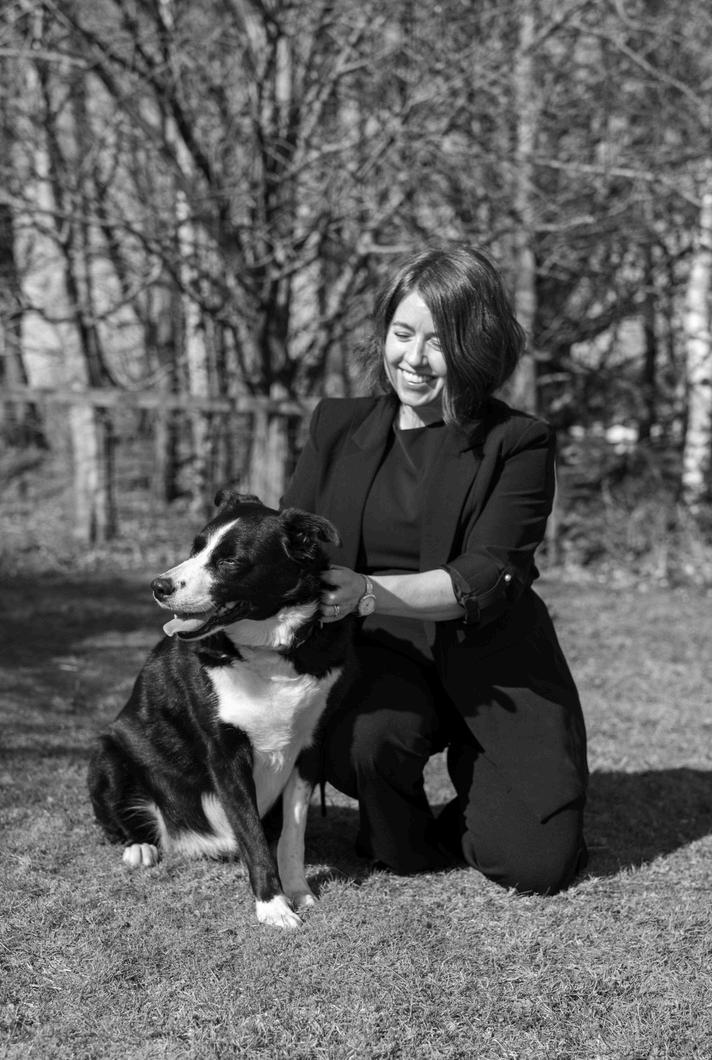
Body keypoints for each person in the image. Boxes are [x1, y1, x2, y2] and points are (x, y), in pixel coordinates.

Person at [282, 244, 588, 895]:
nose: (414, 359)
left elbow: (489, 573)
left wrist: (368, 590)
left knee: (534, 864)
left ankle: (481, 792)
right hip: (378, 655)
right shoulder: (337, 425)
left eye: (439, 341)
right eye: (403, 333)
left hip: (493, 663)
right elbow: (292, 541)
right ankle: (396, 830)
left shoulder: (518, 442)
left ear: (476, 348)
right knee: (368, 746)